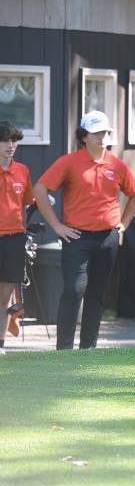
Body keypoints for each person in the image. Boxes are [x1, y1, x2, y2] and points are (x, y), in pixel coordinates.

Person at [33, 111, 135, 350]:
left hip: (108, 238)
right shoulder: (69, 162)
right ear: (84, 136)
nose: (102, 137)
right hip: (77, 238)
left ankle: (88, 350)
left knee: (96, 294)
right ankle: (64, 351)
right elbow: (40, 190)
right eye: (96, 133)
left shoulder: (117, 165)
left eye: (105, 132)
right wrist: (56, 226)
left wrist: (123, 224)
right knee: (73, 290)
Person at [0, 121, 33, 355]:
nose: (11, 145)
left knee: (4, 297)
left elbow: (26, 205)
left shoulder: (23, 171)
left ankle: (0, 344)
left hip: (14, 240)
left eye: (14, 140)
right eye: (5, 140)